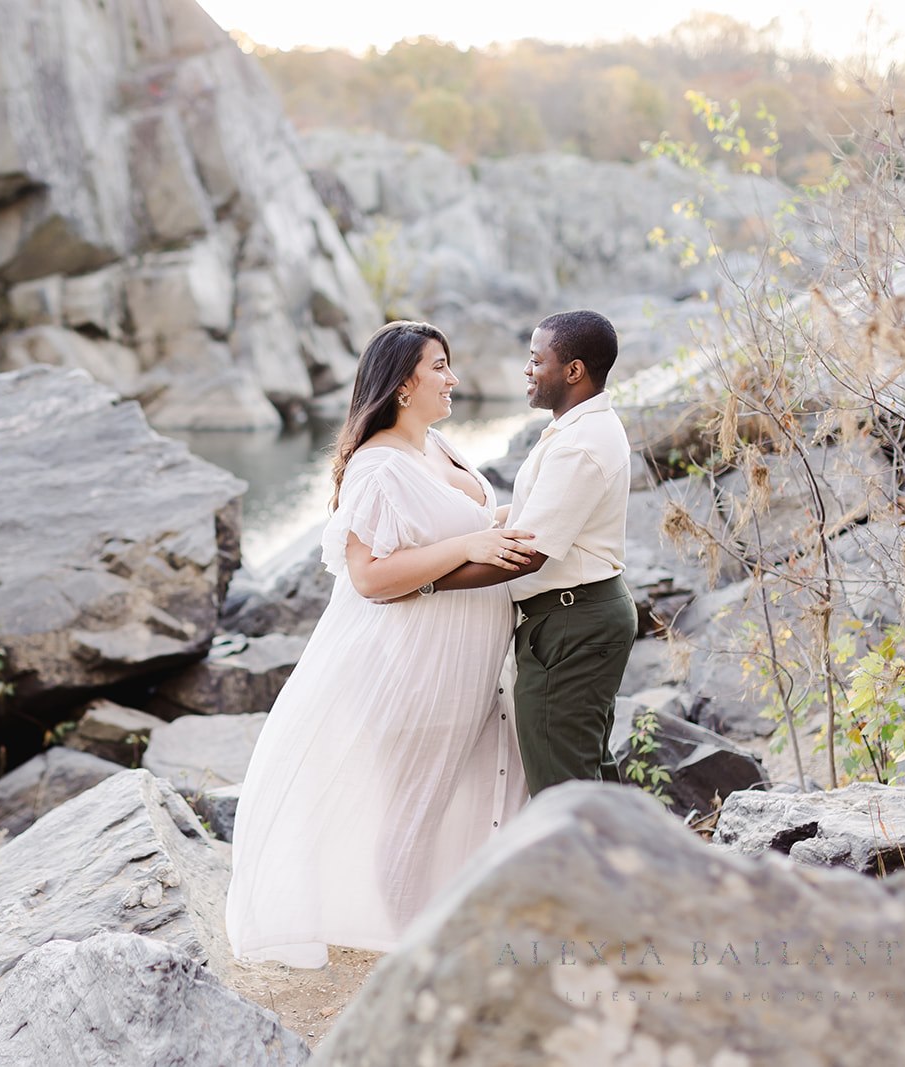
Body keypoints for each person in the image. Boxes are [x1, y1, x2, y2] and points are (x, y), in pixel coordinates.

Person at [225, 320, 532, 969]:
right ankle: (405, 954)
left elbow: (476, 522)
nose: (454, 379)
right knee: (411, 808)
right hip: (411, 664)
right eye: (441, 366)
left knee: (462, 793)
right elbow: (369, 576)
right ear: (401, 384)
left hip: (465, 664)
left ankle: (442, 927)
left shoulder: (437, 445)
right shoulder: (375, 468)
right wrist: (468, 546)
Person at [432, 309, 636, 794]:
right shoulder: (575, 430)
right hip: (575, 617)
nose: (527, 370)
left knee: (561, 789)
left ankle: (587, 870)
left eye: (535, 359)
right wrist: (462, 527)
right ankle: (626, 867)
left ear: (573, 371)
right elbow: (526, 516)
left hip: (571, 623)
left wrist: (427, 580)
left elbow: (528, 553)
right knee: (587, 776)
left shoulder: (580, 445)